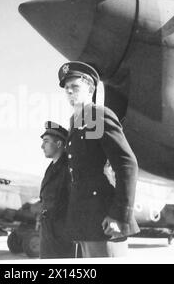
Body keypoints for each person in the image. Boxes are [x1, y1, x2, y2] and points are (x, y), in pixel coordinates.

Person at [58, 61, 140, 258]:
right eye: (67, 88)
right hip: (85, 219)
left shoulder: (97, 115)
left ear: (90, 90)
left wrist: (119, 215)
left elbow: (127, 164)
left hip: (105, 218)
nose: (69, 92)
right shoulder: (76, 122)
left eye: (75, 87)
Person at [39, 121, 75, 259]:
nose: (42, 146)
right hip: (48, 234)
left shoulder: (68, 167)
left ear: (59, 144)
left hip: (62, 237)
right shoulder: (51, 168)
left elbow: (73, 201)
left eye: (46, 141)